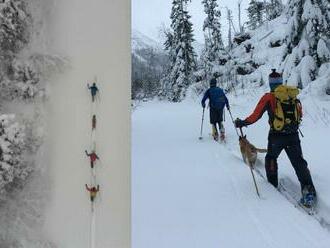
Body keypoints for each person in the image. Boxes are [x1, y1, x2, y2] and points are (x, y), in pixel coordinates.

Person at [234, 69, 316, 207]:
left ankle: (272, 185)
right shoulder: (291, 95)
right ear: (281, 81)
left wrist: (243, 122)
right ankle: (309, 192)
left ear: (270, 83)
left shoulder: (269, 97)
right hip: (293, 135)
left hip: (276, 136)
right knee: (299, 162)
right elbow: (300, 114)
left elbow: (256, 115)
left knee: (271, 158)